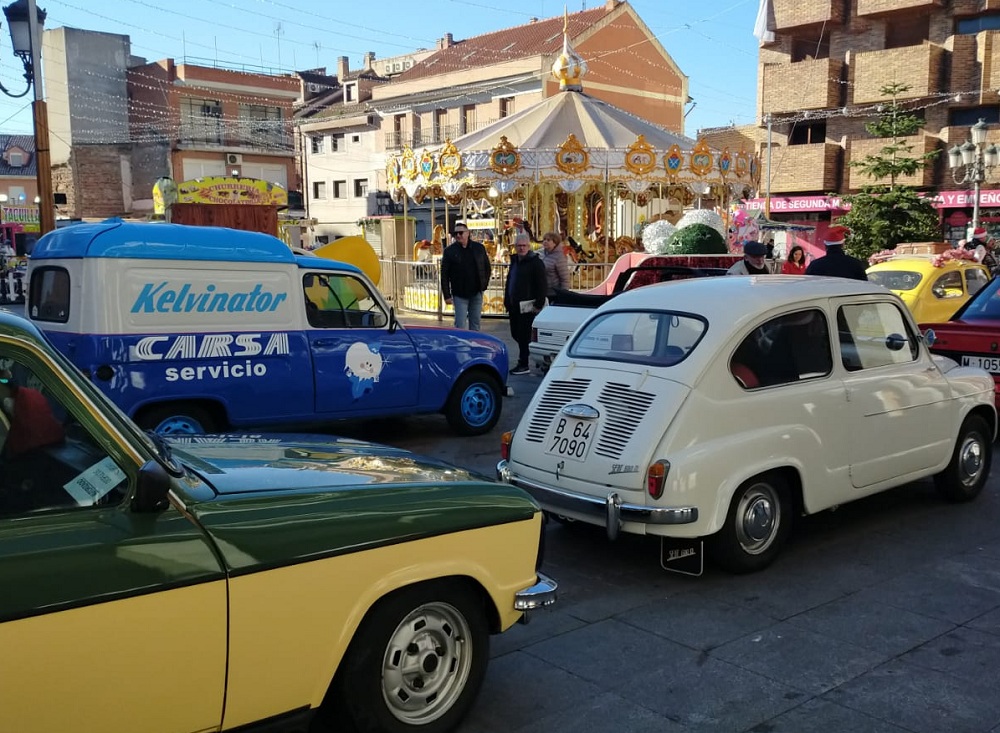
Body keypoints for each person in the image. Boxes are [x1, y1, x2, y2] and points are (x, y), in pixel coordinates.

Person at [504, 233, 547, 375]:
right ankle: (527, 358)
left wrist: (539, 304)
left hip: (528, 305)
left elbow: (541, 284)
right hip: (514, 304)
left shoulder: (535, 262)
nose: (521, 248)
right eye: (519, 246)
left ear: (528, 246)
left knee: (523, 335)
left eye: (524, 246)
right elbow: (510, 281)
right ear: (515, 247)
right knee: (515, 333)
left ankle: (523, 362)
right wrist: (507, 300)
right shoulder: (515, 261)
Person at [440, 220, 491, 331]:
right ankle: (461, 346)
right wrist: (447, 295)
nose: (458, 235)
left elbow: (487, 267)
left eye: (461, 233)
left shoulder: (479, 248)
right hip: (459, 293)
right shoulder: (450, 251)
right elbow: (444, 274)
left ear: (468, 233)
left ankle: (474, 345)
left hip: (476, 292)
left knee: (475, 322)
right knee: (460, 324)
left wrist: (484, 285)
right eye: (455, 233)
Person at [540, 231, 571, 297]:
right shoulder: (541, 253)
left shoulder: (559, 257)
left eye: (548, 240)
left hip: (553, 292)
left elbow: (565, 278)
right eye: (544, 239)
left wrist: (564, 295)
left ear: (555, 243)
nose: (545, 241)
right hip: (541, 291)